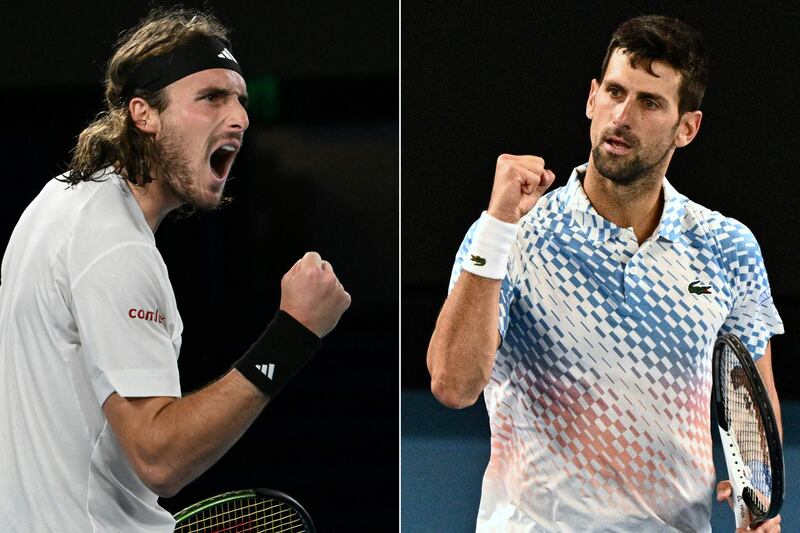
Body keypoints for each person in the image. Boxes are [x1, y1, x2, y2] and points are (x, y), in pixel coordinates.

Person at [427, 15, 782, 533]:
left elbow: (752, 397)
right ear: (592, 98)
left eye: (649, 102)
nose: (622, 115)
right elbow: (452, 385)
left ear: (688, 127)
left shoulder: (727, 246)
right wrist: (497, 228)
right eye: (615, 92)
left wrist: (757, 503)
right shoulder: (511, 235)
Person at [0, 7, 350, 532]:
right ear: (144, 114)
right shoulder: (114, 245)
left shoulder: (56, 203)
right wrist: (293, 335)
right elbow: (160, 457)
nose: (239, 118)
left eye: (240, 101)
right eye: (211, 97)